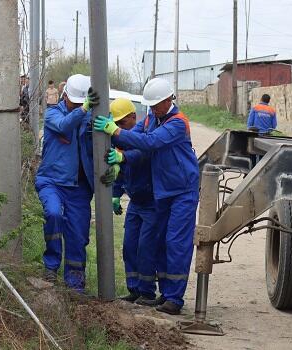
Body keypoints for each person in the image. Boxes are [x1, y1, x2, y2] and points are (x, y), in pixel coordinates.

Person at [94, 78, 199, 315]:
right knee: (161, 242)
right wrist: (115, 141)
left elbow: (150, 142)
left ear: (168, 100)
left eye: (155, 105)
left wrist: (116, 130)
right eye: (149, 106)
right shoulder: (153, 118)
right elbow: (136, 140)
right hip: (163, 191)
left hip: (182, 191)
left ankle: (174, 298)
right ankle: (164, 295)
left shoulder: (177, 123)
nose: (151, 109)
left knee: (175, 243)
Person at [35, 74, 99, 292]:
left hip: (79, 188)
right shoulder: (54, 113)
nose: (78, 106)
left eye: (82, 104)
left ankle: (74, 284)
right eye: (75, 102)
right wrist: (83, 111)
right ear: (65, 96)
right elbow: (63, 126)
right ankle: (50, 267)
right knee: (53, 214)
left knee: (78, 234)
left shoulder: (89, 117)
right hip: (52, 181)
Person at [107, 98, 159, 304]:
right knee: (129, 245)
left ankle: (147, 291)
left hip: (151, 202)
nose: (119, 127)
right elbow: (121, 171)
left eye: (122, 123)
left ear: (133, 117)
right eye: (116, 124)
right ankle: (134, 289)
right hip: (136, 202)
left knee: (145, 247)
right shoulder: (120, 139)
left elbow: (139, 155)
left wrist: (123, 157)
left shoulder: (142, 134)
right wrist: (115, 193)